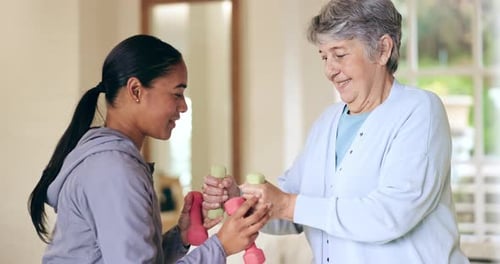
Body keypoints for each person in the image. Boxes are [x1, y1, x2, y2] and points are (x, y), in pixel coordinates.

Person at [202, 0, 470, 263]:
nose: (330, 70)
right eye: (324, 57)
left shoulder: (419, 110)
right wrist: (239, 199)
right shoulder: (327, 121)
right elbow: (290, 211)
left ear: (383, 49)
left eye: (340, 55)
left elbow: (390, 215)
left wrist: (286, 203)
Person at [28, 34, 270, 264]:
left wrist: (180, 237)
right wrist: (221, 246)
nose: (184, 106)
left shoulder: (112, 161)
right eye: (177, 94)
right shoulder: (114, 170)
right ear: (136, 90)